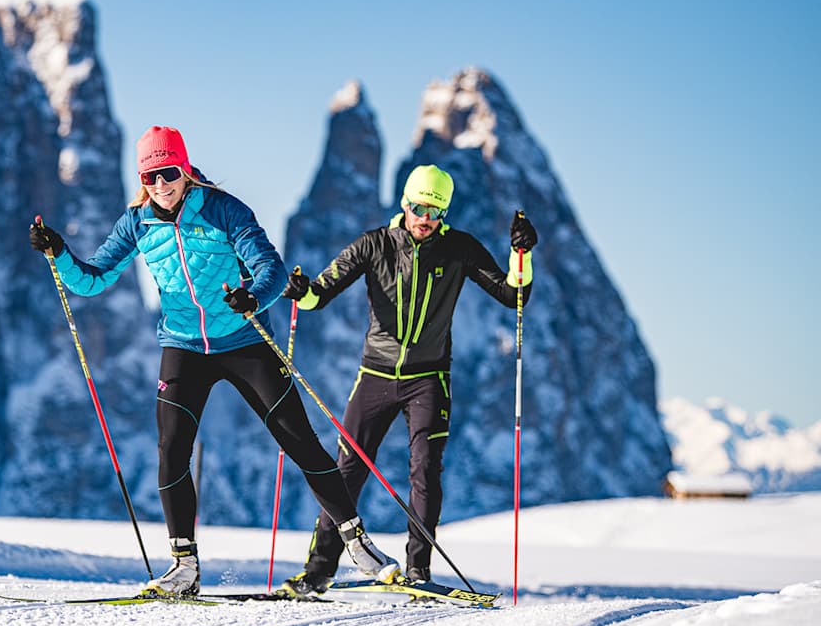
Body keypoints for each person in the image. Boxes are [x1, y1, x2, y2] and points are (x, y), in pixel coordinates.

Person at [29, 125, 399, 597]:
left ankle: (356, 541)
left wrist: (253, 298)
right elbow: (93, 280)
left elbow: (271, 267)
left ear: (185, 170)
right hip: (184, 346)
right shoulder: (137, 223)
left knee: (299, 440)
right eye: (150, 177)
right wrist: (58, 253)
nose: (161, 186)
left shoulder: (224, 209)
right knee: (171, 448)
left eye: (169, 173)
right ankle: (184, 566)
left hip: (242, 340)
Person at [279, 164, 538, 597]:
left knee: (425, 471)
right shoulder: (375, 244)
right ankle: (318, 570)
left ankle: (418, 569)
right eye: (418, 207)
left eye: (434, 212)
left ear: (444, 214)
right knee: (345, 470)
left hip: (429, 378)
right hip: (375, 374)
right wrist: (301, 290)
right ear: (405, 203)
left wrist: (521, 255)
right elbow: (318, 295)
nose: (424, 218)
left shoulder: (459, 248)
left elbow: (514, 295)